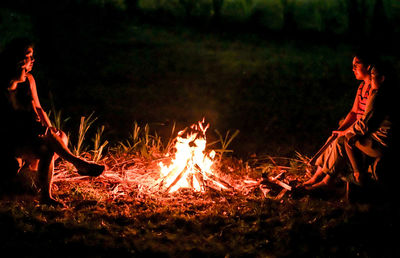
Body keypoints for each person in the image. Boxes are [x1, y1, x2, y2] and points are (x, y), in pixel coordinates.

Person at [0, 38, 104, 205]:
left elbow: (39, 109)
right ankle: (73, 167)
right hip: (13, 139)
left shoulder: (29, 80)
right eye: (29, 56)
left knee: (59, 136)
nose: (33, 60)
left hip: (31, 132)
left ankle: (45, 189)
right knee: (46, 149)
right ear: (19, 60)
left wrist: (48, 128)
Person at [302, 51, 375, 190]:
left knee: (340, 142)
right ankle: (317, 175)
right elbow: (354, 112)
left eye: (357, 64)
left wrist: (345, 132)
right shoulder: (362, 87)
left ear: (368, 66)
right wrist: (341, 129)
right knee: (333, 137)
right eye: (352, 65)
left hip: (364, 129)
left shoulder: (374, 89)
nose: (353, 68)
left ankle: (327, 181)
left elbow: (366, 121)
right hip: (356, 126)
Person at [344, 62, 394, 184]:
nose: (370, 80)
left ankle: (358, 176)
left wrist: (349, 131)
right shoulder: (391, 92)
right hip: (384, 139)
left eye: (372, 77)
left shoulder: (378, 96)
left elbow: (366, 124)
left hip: (382, 143)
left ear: (382, 79)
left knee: (348, 139)